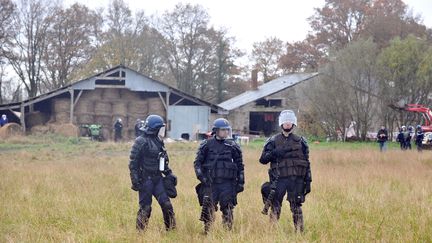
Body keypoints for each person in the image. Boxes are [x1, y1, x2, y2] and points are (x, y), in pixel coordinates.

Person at [259, 110, 312, 233]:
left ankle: (299, 233)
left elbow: (306, 163)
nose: (287, 124)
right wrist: (274, 153)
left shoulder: (301, 142)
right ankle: (272, 232)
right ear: (281, 124)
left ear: (293, 124)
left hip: (296, 181)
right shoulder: (272, 141)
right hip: (279, 180)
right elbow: (262, 160)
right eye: (285, 122)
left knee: (296, 207)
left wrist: (308, 181)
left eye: (290, 122)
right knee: (275, 206)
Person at [193, 118, 245, 233]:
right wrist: (202, 178)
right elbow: (197, 164)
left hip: (228, 184)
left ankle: (227, 233)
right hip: (211, 183)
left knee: (228, 210)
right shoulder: (206, 145)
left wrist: (241, 182)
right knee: (208, 209)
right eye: (223, 130)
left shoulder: (233, 146)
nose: (226, 132)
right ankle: (207, 233)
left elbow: (240, 165)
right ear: (216, 131)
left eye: (227, 130)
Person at [128, 114, 177, 231]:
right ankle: (140, 234)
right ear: (154, 129)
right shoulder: (140, 141)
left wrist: (169, 173)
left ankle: (171, 232)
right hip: (146, 180)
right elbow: (133, 163)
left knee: (167, 205)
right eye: (161, 128)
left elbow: (163, 161)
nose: (163, 131)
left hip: (158, 179)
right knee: (145, 208)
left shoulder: (159, 141)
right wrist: (135, 180)